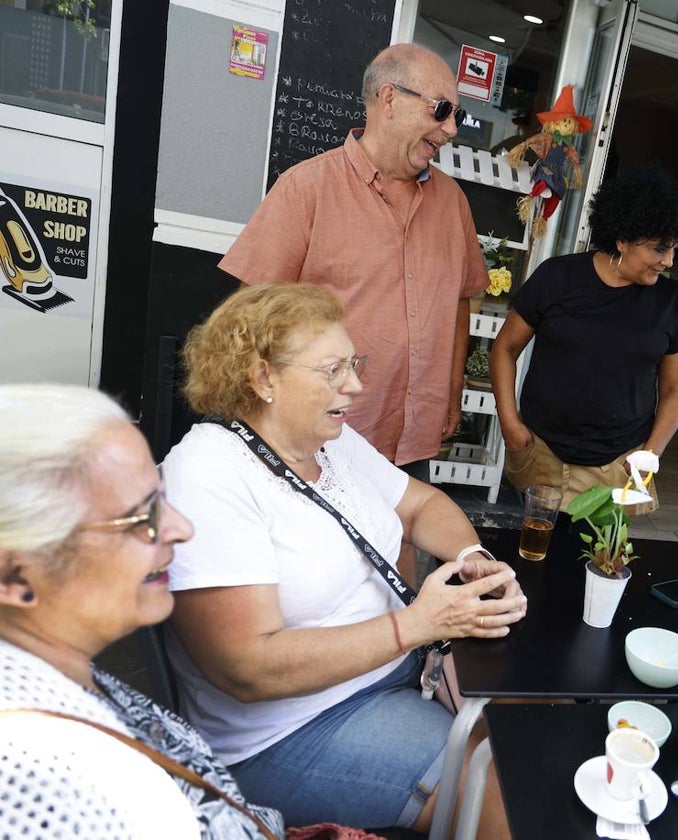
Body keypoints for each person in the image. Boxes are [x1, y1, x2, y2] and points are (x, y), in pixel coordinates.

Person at [161, 284, 526, 836]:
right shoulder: (208, 473)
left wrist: (473, 556)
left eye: (354, 364)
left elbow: (422, 503)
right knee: (500, 785)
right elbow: (246, 668)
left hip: (392, 669)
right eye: (332, 370)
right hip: (288, 731)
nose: (355, 385)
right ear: (263, 378)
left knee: (540, 717)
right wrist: (417, 624)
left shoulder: (330, 441)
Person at [218, 43, 487, 581]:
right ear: (389, 99)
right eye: (441, 110)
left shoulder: (453, 203)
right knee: (325, 575)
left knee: (402, 562)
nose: (451, 129)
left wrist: (453, 389)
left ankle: (408, 651)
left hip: (410, 430)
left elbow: (462, 300)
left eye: (458, 114)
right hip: (323, 435)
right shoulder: (306, 188)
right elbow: (247, 320)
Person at [0, 384, 284, 839]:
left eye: (162, 497)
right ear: (13, 577)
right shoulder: (39, 774)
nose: (182, 527)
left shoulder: (63, 676)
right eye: (141, 516)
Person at [490, 166, 678, 506]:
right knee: (529, 553)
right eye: (659, 249)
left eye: (674, 248)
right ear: (622, 239)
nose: (668, 261)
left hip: (619, 465)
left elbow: (675, 390)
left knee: (597, 559)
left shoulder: (669, 301)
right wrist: (510, 424)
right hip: (541, 453)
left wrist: (649, 456)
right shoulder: (557, 277)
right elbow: (505, 347)